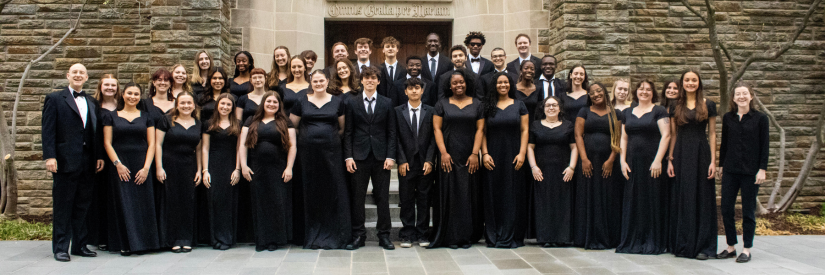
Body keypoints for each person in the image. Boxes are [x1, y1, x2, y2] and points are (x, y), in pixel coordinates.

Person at [42, 63, 104, 261]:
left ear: (87, 78)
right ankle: (61, 248)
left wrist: (99, 156)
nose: (78, 75)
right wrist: (50, 156)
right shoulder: (55, 99)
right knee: (63, 206)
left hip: (88, 161)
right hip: (65, 161)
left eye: (82, 73)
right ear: (68, 75)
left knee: (83, 205)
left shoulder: (92, 102)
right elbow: (48, 130)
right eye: (75, 72)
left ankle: (80, 245)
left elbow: (96, 132)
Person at [290, 70, 351, 249]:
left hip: (332, 154)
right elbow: (293, 126)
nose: (318, 83)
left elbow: (342, 128)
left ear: (327, 81)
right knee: (311, 189)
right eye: (315, 81)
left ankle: (334, 234)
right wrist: (309, 139)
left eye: (321, 81)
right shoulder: (301, 101)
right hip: (307, 154)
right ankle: (311, 235)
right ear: (311, 82)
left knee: (331, 189)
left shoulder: (338, 102)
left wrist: (327, 139)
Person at [343, 66, 398, 250]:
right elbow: (348, 132)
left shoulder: (387, 102)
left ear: (378, 81)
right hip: (358, 157)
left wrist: (391, 156)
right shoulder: (351, 102)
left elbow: (391, 132)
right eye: (366, 78)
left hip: (381, 157)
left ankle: (384, 235)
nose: (370, 81)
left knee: (383, 197)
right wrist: (348, 156)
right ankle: (358, 235)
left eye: (373, 77)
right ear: (361, 80)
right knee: (357, 198)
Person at [429, 69, 485, 249]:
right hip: (449, 155)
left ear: (467, 83)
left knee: (468, 194)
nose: (458, 85)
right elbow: (437, 129)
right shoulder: (441, 104)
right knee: (450, 194)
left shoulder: (477, 104)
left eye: (461, 82)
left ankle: (466, 236)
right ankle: (451, 237)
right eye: (455, 83)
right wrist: (443, 153)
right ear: (449, 86)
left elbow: (480, 130)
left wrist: (475, 154)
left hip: (470, 156)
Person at [102, 82, 159, 256]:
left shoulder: (146, 117)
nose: (133, 97)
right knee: (123, 203)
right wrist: (117, 164)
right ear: (123, 95)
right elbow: (107, 142)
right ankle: (124, 244)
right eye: (129, 93)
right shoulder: (111, 116)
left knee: (142, 203)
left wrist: (146, 168)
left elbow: (152, 144)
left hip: (142, 165)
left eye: (136, 94)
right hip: (121, 165)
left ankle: (144, 243)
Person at [667, 70, 718, 260]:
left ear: (699, 83)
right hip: (680, 154)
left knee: (703, 198)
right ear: (682, 83)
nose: (690, 83)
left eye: (694, 80)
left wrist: (713, 161)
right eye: (687, 80)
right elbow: (673, 135)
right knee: (684, 197)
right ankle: (683, 244)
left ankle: (704, 246)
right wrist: (670, 160)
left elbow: (712, 134)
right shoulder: (675, 106)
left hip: (701, 154)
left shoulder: (708, 105)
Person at [616, 80, 670, 254]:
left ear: (653, 93)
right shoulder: (627, 112)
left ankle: (652, 241)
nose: (644, 92)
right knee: (633, 199)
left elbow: (666, 135)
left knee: (651, 199)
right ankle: (633, 240)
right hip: (632, 162)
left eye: (648, 89)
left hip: (652, 163)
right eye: (641, 89)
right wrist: (622, 161)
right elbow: (623, 138)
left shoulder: (659, 111)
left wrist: (658, 160)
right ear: (636, 92)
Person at [717, 82, 769, 263]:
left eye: (744, 93)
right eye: (738, 94)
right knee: (726, 209)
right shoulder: (728, 118)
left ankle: (746, 249)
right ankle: (730, 246)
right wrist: (721, 165)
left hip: (750, 172)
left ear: (751, 96)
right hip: (730, 171)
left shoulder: (761, 119)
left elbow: (765, 145)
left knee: (748, 211)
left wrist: (762, 169)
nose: (741, 96)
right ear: (733, 98)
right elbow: (724, 144)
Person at [240, 91, 298, 251]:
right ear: (263, 104)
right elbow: (242, 145)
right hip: (256, 168)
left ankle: (274, 240)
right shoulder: (251, 120)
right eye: (268, 101)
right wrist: (243, 166)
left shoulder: (285, 122)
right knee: (260, 203)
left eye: (275, 102)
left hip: (278, 168)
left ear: (279, 105)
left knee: (276, 203)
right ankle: (262, 240)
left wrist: (289, 167)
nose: (272, 104)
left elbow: (292, 145)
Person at [480, 72, 529, 248]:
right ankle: (494, 235)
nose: (503, 85)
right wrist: (484, 154)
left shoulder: (519, 105)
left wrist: (522, 153)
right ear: (494, 85)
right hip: (492, 156)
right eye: (499, 82)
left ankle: (512, 234)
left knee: (512, 194)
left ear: (511, 85)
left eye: (506, 82)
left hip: (514, 156)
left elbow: (525, 130)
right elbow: (482, 132)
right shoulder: (487, 106)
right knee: (494, 194)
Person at [573, 82, 624, 250]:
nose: (595, 94)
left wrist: (611, 160)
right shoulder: (584, 111)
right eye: (592, 93)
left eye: (599, 91)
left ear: (605, 92)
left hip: (608, 163)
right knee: (589, 196)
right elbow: (578, 135)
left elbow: (617, 138)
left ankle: (608, 237)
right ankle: (587, 236)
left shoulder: (615, 113)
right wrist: (584, 159)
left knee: (608, 197)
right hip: (589, 161)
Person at [154, 91, 202, 253]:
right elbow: (158, 144)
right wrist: (159, 167)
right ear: (177, 104)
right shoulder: (166, 120)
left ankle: (186, 238)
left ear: (194, 105)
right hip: (169, 166)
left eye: (189, 103)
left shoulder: (198, 123)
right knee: (171, 201)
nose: (186, 106)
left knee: (188, 202)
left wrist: (200, 170)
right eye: (182, 103)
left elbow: (200, 149)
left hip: (189, 166)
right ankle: (173, 239)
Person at [528, 96, 577, 247]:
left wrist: (571, 168)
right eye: (548, 105)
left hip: (563, 171)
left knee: (561, 203)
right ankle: (545, 237)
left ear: (560, 108)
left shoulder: (568, 125)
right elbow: (530, 147)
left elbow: (574, 148)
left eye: (554, 105)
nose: (551, 108)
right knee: (543, 204)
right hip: (541, 171)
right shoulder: (535, 125)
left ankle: (561, 237)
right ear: (543, 108)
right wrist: (533, 167)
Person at [394, 77, 436, 248]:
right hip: (406, 163)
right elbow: (395, 137)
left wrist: (430, 160)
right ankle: (407, 233)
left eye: (417, 88)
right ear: (405, 92)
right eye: (410, 88)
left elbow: (434, 137)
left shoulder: (431, 111)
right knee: (406, 199)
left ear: (422, 91)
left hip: (424, 163)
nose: (414, 91)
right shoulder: (397, 111)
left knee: (424, 199)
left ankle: (423, 233)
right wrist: (401, 160)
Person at [201, 93, 242, 250]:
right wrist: (205, 170)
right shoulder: (208, 124)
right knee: (215, 201)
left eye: (228, 105)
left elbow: (240, 148)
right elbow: (205, 148)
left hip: (231, 165)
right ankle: (215, 238)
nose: (225, 107)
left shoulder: (237, 124)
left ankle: (227, 238)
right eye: (222, 104)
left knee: (229, 202)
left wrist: (237, 169)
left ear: (232, 108)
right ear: (217, 105)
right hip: (213, 166)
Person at [88, 74, 119, 252]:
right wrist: (99, 154)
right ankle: (99, 237)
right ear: (100, 86)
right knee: (99, 196)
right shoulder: (93, 105)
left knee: (114, 196)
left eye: (113, 85)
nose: (109, 88)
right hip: (100, 156)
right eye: (106, 84)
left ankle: (113, 235)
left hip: (119, 155)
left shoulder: (122, 105)